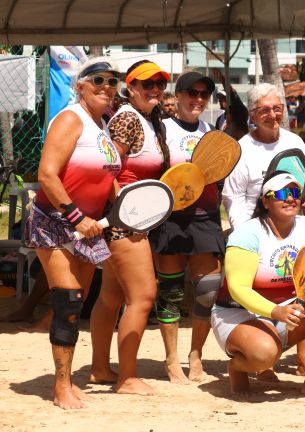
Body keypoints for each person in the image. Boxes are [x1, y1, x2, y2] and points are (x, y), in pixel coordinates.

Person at [26, 57, 122, 409]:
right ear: (80, 85)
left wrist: (123, 207)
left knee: (77, 302)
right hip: (56, 220)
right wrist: (76, 215)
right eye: (98, 80)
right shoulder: (71, 118)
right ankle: (60, 387)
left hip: (90, 225)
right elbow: (47, 174)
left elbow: (107, 175)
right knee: (67, 301)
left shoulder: (103, 125)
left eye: (113, 82)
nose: (107, 88)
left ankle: (66, 380)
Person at [212, 171, 305, 400]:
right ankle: (237, 367)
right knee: (264, 355)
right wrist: (276, 311)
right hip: (239, 312)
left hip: (287, 309)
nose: (290, 198)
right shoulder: (248, 232)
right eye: (282, 193)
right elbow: (238, 288)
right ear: (265, 201)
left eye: (295, 192)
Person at [89, 60, 171, 395]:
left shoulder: (149, 120)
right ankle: (127, 378)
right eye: (146, 84)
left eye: (159, 85)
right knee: (143, 296)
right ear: (131, 88)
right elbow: (107, 167)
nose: (154, 90)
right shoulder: (127, 118)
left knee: (111, 296)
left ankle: (98, 369)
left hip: (129, 218)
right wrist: (128, 211)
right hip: (124, 221)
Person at [147, 72, 224, 384]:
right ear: (177, 96)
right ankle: (172, 359)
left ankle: (196, 356)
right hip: (171, 218)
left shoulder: (212, 132)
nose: (198, 99)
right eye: (191, 93)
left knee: (207, 292)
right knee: (171, 292)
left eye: (204, 94)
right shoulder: (162, 129)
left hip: (206, 215)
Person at [222, 83, 305, 230]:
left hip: (295, 228)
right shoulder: (242, 149)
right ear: (252, 115)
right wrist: (244, 234)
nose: (273, 115)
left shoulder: (295, 142)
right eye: (265, 110)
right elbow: (234, 197)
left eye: (277, 109)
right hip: (256, 228)